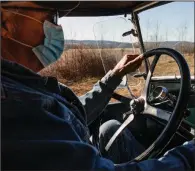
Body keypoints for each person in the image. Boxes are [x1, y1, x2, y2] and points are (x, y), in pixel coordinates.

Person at [1, 2, 195, 171]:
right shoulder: (12, 106)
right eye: (51, 16)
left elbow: (72, 113)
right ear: (4, 23)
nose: (57, 27)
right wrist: (187, 157)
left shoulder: (21, 85)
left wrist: (114, 76)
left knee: (109, 128)